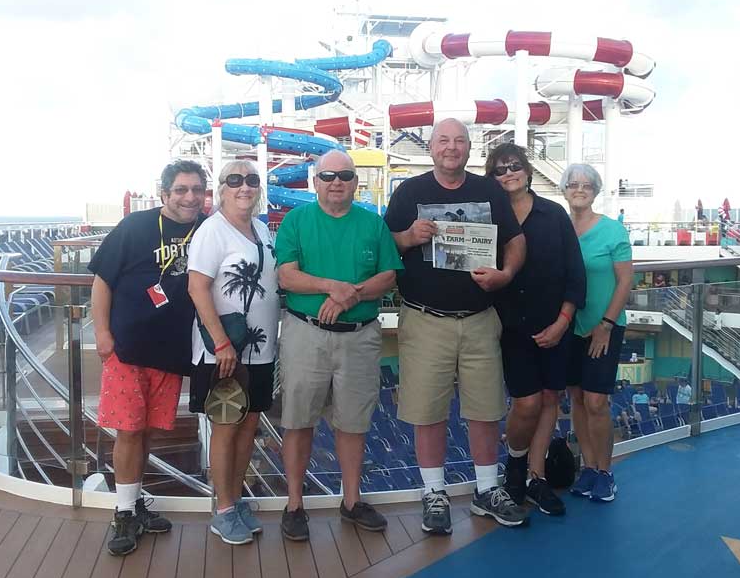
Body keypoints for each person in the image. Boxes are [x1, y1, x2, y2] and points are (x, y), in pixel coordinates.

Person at [384, 118, 527, 533]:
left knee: (485, 409)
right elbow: (383, 244)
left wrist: (505, 274)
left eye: (459, 141)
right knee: (428, 412)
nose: (451, 147)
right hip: (425, 318)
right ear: (431, 148)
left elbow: (515, 241)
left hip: (480, 318)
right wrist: (408, 237)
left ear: (468, 148)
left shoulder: (489, 191)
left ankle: (487, 489)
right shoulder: (409, 192)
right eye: (444, 140)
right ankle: (434, 493)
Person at [275, 150, 403, 541]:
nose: (336, 183)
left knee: (354, 423)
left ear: (355, 183)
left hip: (360, 337)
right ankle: (294, 504)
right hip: (305, 333)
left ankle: (351, 501)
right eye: (328, 176)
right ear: (315, 182)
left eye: (344, 176)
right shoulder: (296, 221)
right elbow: (286, 276)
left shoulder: (372, 223)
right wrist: (334, 287)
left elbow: (389, 277)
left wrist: (350, 296)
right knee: (298, 420)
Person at [88, 160, 206, 556]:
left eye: (197, 189)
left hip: (171, 353)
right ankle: (123, 513)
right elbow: (102, 281)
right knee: (128, 430)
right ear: (165, 193)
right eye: (181, 190)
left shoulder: (207, 229)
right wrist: (102, 333)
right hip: (128, 348)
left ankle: (135, 501)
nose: (190, 197)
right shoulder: (135, 226)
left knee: (148, 431)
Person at [486, 143, 585, 517]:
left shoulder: (553, 214)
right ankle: (515, 466)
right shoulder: (487, 219)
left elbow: (575, 273)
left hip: (554, 324)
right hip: (510, 327)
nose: (508, 173)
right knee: (526, 402)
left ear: (527, 171)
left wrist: (562, 322)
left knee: (549, 399)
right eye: (499, 169)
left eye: (514, 166)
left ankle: (536, 477)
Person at [188, 160, 279, 546]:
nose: (245, 187)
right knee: (225, 429)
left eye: (252, 180)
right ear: (222, 188)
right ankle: (223, 509)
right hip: (223, 352)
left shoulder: (261, 228)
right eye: (235, 180)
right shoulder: (212, 231)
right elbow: (197, 288)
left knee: (248, 426)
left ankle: (236, 499)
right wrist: (221, 342)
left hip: (260, 349)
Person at [562, 163, 633, 503]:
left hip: (604, 326)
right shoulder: (560, 228)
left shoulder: (613, 231)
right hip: (569, 326)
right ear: (564, 190)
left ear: (595, 191)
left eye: (586, 185)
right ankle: (588, 468)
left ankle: (605, 472)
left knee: (596, 401)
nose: (579, 189)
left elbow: (625, 281)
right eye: (573, 184)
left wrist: (606, 324)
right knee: (576, 398)